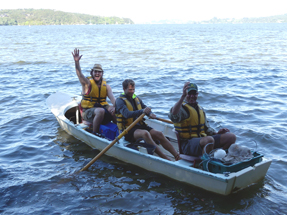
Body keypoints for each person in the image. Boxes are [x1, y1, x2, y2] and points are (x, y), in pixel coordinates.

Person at [115, 79, 180, 161]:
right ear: (124, 89)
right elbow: (127, 114)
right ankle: (165, 158)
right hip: (128, 130)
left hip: (140, 125)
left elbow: (144, 108)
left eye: (133, 89)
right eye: (130, 90)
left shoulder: (136, 98)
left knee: (159, 134)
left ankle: (176, 155)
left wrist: (150, 114)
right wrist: (142, 111)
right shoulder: (119, 101)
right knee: (145, 134)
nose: (132, 92)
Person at [168, 82, 236, 156]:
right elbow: (173, 115)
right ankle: (205, 163)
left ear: (197, 94)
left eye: (194, 94)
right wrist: (183, 96)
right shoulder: (181, 108)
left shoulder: (200, 109)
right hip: (188, 144)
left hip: (203, 139)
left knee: (231, 137)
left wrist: (216, 133)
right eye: (189, 94)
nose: (192, 96)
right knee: (209, 140)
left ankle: (216, 157)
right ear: (185, 95)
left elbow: (206, 128)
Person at [72, 48, 116, 134]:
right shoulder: (87, 84)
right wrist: (77, 62)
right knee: (100, 111)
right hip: (88, 111)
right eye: (95, 71)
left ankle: (121, 132)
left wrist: (116, 107)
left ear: (102, 74)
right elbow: (79, 75)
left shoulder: (106, 86)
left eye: (99, 72)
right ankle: (95, 133)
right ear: (92, 73)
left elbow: (113, 100)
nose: (97, 73)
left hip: (101, 107)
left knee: (114, 110)